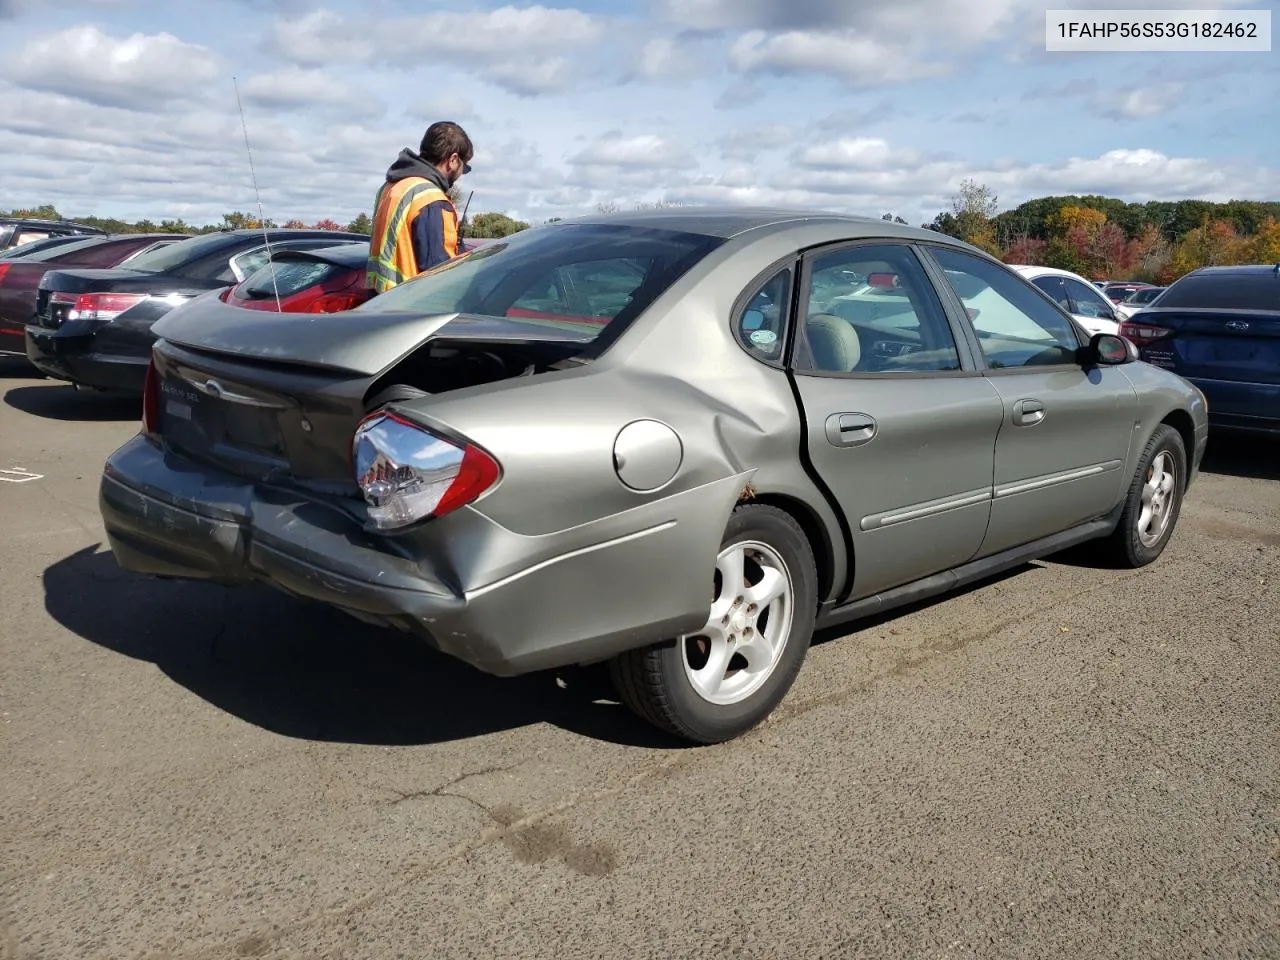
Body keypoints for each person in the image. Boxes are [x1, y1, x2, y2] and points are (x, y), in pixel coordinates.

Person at [367, 121, 473, 293]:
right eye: (464, 167)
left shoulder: (391, 187)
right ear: (453, 160)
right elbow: (439, 275)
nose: (462, 174)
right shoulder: (431, 199)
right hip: (409, 307)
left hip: (378, 302)